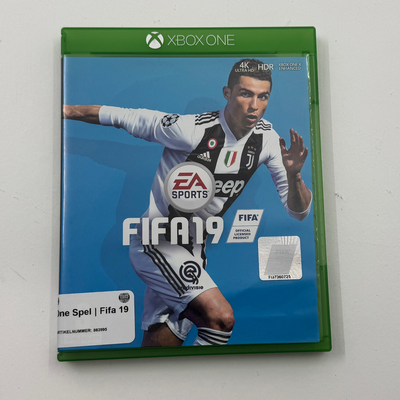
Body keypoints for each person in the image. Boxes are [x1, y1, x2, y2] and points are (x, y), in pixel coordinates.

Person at [63, 58, 312, 347]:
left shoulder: (267, 139)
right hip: (157, 244)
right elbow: (121, 116)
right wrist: (65, 111)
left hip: (194, 251)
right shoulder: (191, 129)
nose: (254, 105)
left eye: (263, 96)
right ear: (227, 93)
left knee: (160, 347)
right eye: (245, 94)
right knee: (220, 319)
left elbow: (298, 212)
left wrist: (294, 176)